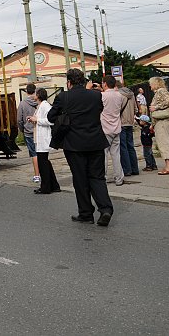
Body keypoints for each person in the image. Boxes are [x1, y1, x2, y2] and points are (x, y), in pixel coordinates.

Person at [47, 69, 113, 226]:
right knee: (97, 177)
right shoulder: (96, 95)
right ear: (84, 81)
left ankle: (86, 213)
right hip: (96, 141)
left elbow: (51, 117)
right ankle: (105, 209)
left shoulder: (63, 96)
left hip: (74, 144)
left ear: (69, 82)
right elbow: (98, 111)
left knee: (80, 179)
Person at [29, 88, 60, 194]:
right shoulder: (41, 105)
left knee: (43, 163)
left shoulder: (45, 106)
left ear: (38, 95)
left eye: (35, 93)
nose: (34, 95)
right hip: (40, 137)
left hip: (44, 137)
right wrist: (33, 118)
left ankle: (46, 187)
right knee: (45, 162)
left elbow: (51, 120)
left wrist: (37, 120)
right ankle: (54, 185)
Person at [148, 76, 169, 175]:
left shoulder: (160, 91)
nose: (150, 85)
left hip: (163, 121)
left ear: (155, 83)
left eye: (151, 83)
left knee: (163, 143)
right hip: (168, 121)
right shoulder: (163, 91)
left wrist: (155, 107)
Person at [100, 76, 125, 187]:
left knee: (103, 155)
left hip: (105, 128)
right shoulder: (119, 95)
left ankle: (103, 178)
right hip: (116, 127)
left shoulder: (102, 96)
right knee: (116, 155)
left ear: (105, 84)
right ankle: (119, 178)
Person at [17, 83, 39, 183]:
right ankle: (44, 172)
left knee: (33, 154)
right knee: (41, 153)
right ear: (35, 91)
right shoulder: (39, 102)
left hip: (28, 132)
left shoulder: (22, 103)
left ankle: (36, 175)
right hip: (39, 131)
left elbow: (19, 120)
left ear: (26, 91)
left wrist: (22, 129)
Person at [118, 81, 140, 176]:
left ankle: (127, 169)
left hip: (121, 123)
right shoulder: (132, 94)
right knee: (131, 146)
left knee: (123, 147)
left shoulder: (119, 95)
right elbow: (136, 109)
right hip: (130, 123)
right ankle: (135, 168)